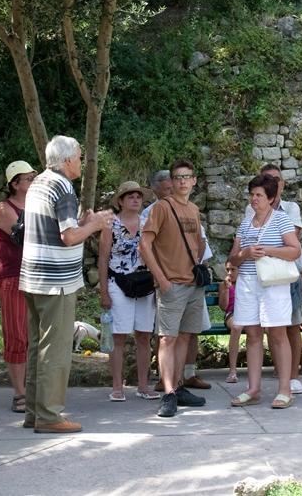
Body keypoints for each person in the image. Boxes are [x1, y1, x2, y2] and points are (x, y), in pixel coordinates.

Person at [20, 136, 113, 433]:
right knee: (56, 349)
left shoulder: (38, 183)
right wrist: (96, 224)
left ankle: (35, 413)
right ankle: (49, 416)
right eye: (79, 158)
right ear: (69, 160)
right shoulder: (63, 187)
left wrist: (85, 222)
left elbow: (64, 228)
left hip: (33, 276)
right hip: (56, 280)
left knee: (37, 346)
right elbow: (69, 237)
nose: (81, 163)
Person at [140, 160, 210, 417]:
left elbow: (199, 243)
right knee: (168, 338)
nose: (182, 181)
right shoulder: (161, 208)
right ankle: (168, 392)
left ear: (194, 181)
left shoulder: (193, 209)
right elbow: (144, 245)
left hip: (193, 284)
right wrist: (162, 279)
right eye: (177, 177)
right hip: (172, 284)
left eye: (186, 177)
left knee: (184, 336)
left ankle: (178, 386)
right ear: (171, 181)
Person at [228, 174, 301, 409]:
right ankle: (253, 388)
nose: (254, 199)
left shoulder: (280, 220)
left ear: (270, 198)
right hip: (248, 283)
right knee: (253, 335)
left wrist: (268, 250)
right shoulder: (245, 223)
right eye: (252, 194)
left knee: (278, 334)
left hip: (273, 284)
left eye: (259, 195)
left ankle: (285, 390)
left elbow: (295, 251)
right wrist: (246, 253)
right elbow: (233, 258)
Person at [245, 164, 302, 394]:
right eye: (268, 178)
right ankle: (281, 373)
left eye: (277, 179)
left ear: (282, 184)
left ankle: (292, 376)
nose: (274, 182)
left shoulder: (291, 207)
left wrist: (268, 244)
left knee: (291, 324)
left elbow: (293, 238)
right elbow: (248, 236)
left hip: (288, 272)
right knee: (270, 326)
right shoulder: (250, 208)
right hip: (261, 274)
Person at [98, 181, 159, 402]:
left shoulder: (148, 223)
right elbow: (104, 257)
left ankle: (143, 385)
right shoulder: (110, 225)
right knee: (119, 336)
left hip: (144, 282)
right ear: (121, 201)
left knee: (144, 335)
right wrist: (103, 290)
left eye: (138, 196)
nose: (135, 199)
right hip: (118, 280)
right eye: (130, 196)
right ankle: (117, 386)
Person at [0, 160, 37, 413]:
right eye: (28, 179)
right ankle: (19, 393)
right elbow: (23, 236)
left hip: (36, 276)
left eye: (34, 177)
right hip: (13, 276)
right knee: (16, 334)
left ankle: (32, 388)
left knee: (34, 335)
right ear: (14, 184)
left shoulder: (38, 206)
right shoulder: (3, 208)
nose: (33, 182)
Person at [218, 261, 242, 383]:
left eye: (233, 270)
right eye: (227, 270)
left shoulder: (247, 282)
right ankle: (232, 371)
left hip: (248, 314)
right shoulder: (224, 285)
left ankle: (278, 369)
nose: (229, 273)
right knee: (236, 327)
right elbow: (223, 307)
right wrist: (226, 290)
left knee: (268, 328)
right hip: (232, 314)